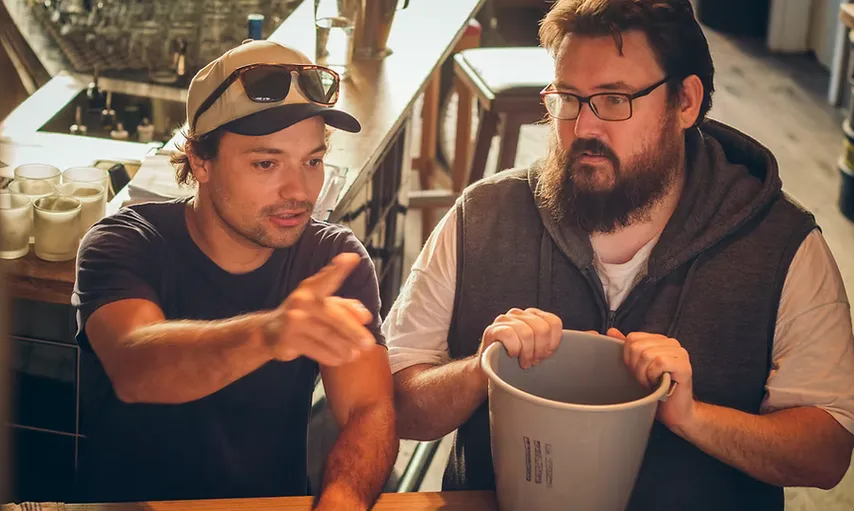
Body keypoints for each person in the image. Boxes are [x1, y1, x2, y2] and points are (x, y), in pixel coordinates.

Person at [384, 1, 854, 509]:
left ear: (686, 102)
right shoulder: (482, 218)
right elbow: (395, 406)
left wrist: (693, 418)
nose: (584, 127)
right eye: (568, 97)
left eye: (613, 99)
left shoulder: (779, 243)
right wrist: (480, 369)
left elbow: (826, 454)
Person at [72, 40, 397, 510]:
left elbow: (368, 409)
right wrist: (269, 333)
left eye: (312, 160)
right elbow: (135, 367)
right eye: (266, 163)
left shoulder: (333, 258)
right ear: (200, 161)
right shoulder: (124, 242)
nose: (299, 190)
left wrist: (341, 500)